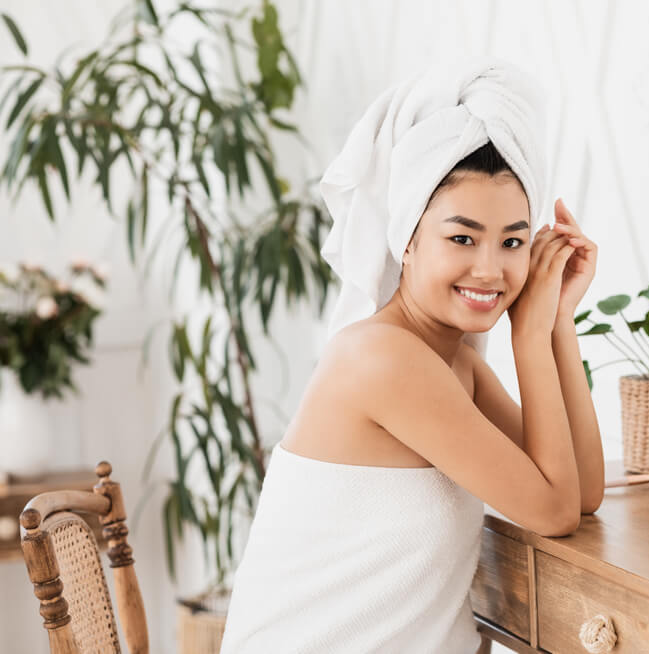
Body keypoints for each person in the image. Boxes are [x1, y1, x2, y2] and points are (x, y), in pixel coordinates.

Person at [219, 59, 602, 654]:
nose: (490, 268)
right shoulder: (384, 360)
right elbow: (554, 510)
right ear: (408, 238)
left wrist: (557, 324)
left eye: (513, 242)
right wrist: (527, 338)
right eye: (462, 237)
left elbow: (580, 493)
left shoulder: (453, 365)